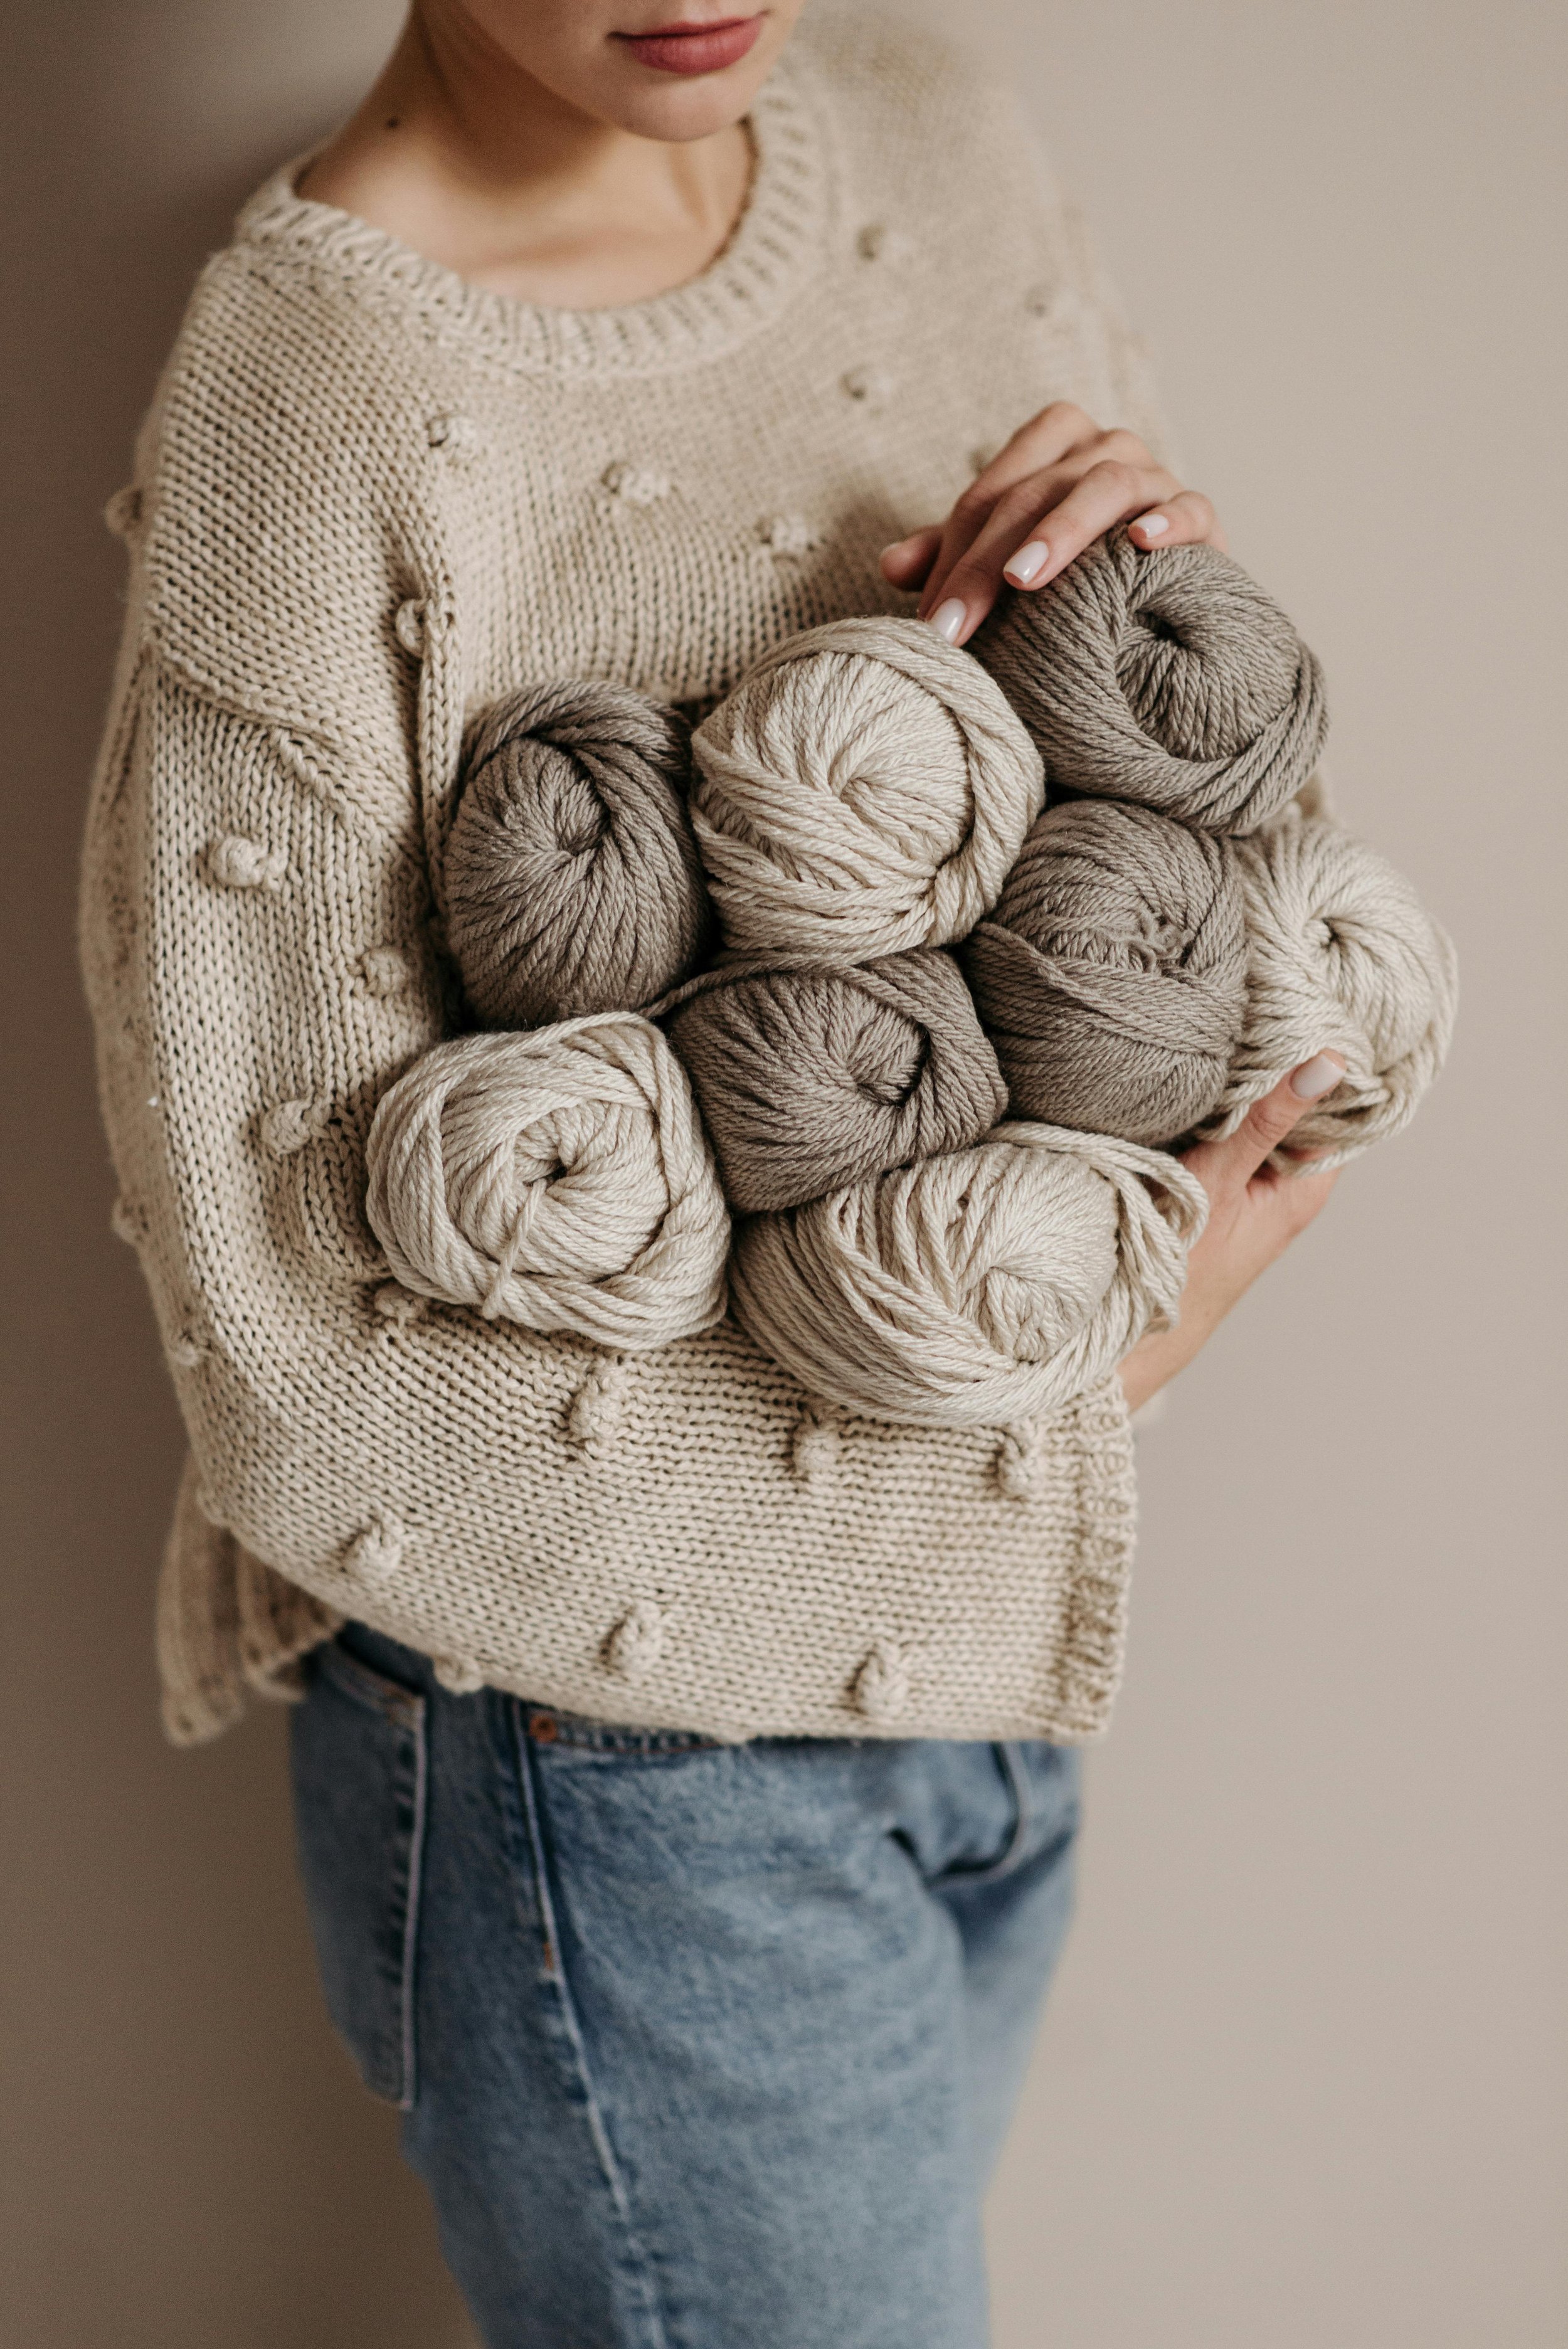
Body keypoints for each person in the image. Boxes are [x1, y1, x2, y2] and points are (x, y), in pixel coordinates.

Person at [81, 4, 1342, 2341]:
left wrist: (1143, 598)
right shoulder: (315, 387)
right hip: (621, 1762)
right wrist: (1081, 1384)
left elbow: (1171, 829)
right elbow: (297, 1340)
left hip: (992, 1661)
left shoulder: (936, 127)